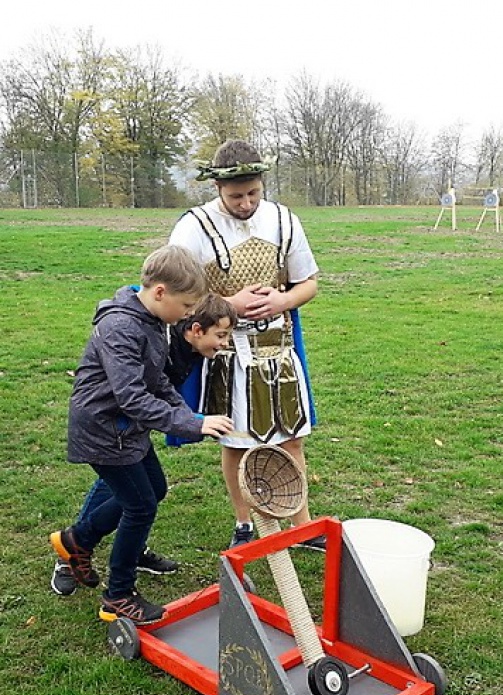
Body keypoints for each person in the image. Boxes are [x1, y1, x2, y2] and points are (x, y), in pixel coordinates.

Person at [50, 247, 234, 624]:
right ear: (161, 292)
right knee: (140, 506)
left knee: (155, 490)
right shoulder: (121, 327)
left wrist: (190, 416)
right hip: (103, 431)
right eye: (185, 305)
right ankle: (118, 594)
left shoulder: (151, 321)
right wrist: (190, 424)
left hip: (124, 429)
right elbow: (131, 395)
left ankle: (77, 541)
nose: (187, 315)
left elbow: (159, 381)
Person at [169, 139, 325, 550]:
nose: (245, 203)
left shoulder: (283, 220)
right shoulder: (193, 227)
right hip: (228, 353)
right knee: (236, 440)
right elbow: (172, 294)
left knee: (291, 438)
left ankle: (300, 525)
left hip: (280, 348)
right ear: (217, 189)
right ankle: (244, 524)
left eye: (253, 193)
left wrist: (284, 299)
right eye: (236, 196)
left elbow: (309, 282)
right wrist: (228, 306)